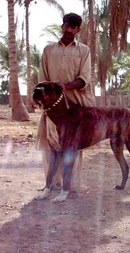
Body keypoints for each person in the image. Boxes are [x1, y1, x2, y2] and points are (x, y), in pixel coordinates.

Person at [36, 12, 96, 195]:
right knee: (49, 144)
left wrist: (66, 86)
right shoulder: (48, 50)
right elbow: (42, 79)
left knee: (73, 147)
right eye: (67, 26)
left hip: (75, 106)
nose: (69, 30)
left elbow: (85, 78)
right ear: (62, 26)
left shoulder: (83, 51)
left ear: (78, 30)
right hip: (53, 108)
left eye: (74, 27)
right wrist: (45, 98)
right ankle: (52, 184)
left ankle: (72, 187)